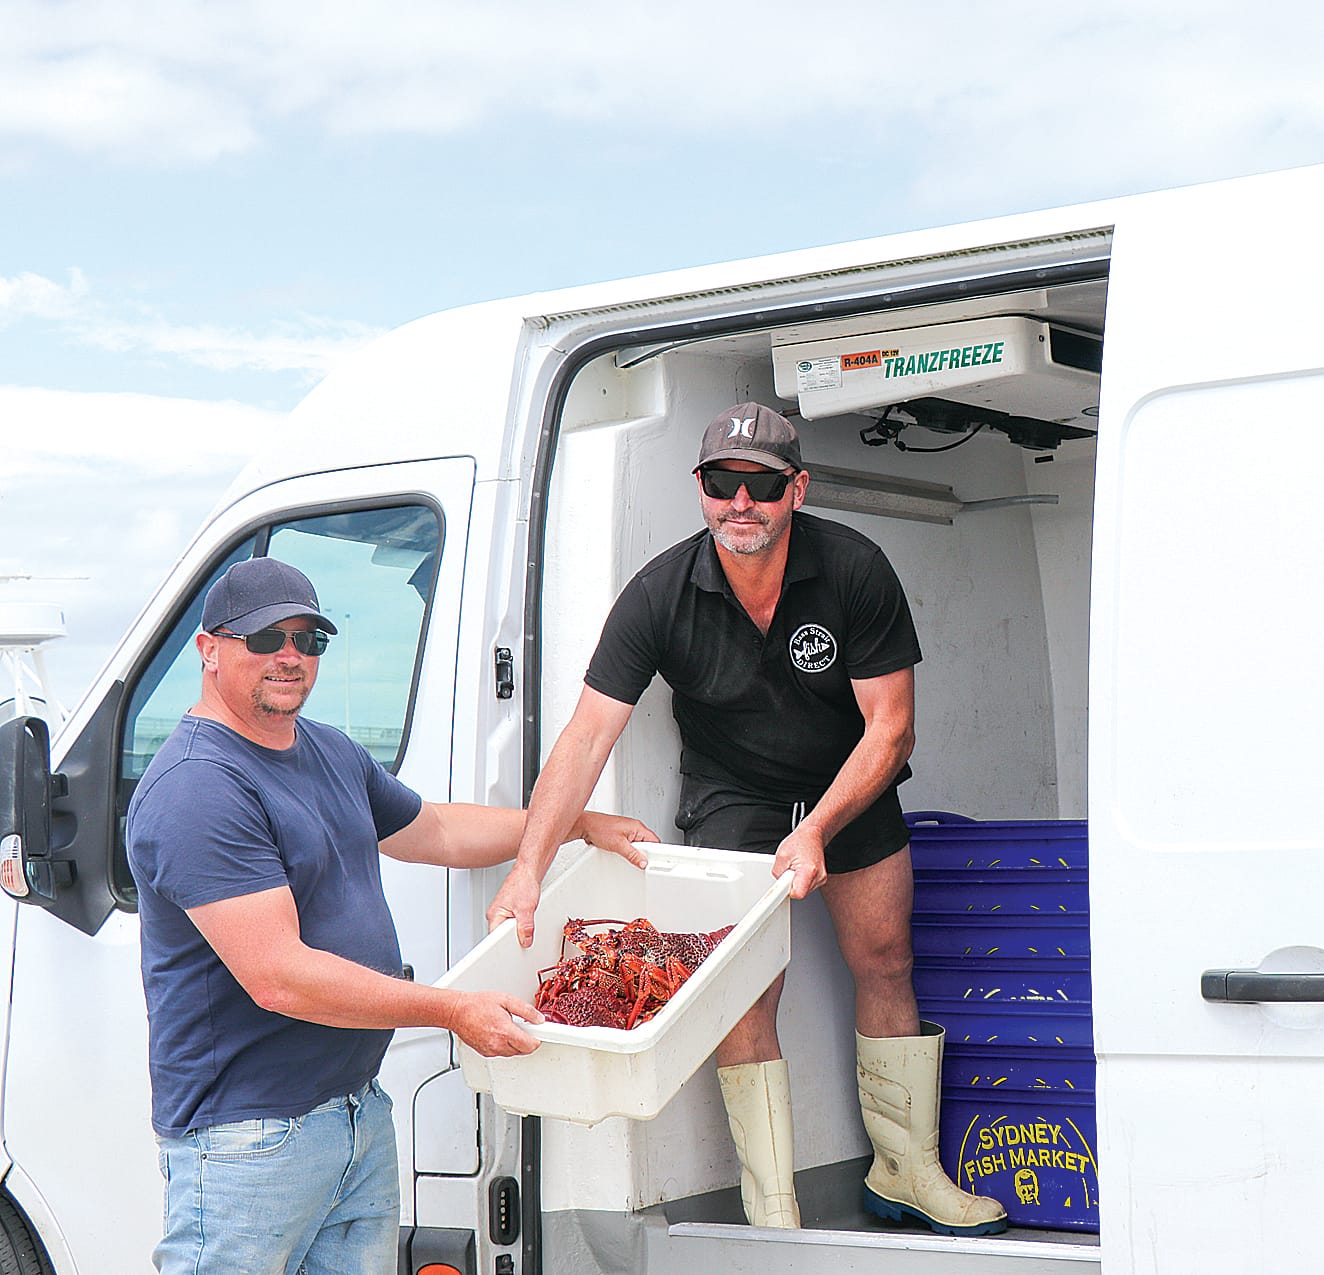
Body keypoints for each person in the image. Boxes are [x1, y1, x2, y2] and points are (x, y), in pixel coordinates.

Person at [487, 402, 1006, 1236]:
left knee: (885, 959)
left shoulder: (854, 568)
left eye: (760, 484)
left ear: (795, 488)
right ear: (700, 488)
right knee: (740, 994)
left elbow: (891, 727)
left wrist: (819, 828)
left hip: (851, 786)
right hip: (734, 798)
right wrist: (527, 866)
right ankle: (773, 1207)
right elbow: (585, 736)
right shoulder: (660, 592)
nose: (740, 501)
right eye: (721, 481)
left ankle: (906, 1170)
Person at [125, 556, 646, 1275]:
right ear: (208, 649)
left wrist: (573, 822)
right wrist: (453, 1009)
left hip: (356, 1117)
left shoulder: (327, 751)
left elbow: (435, 830)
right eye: (265, 637)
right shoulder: (197, 788)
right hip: (248, 1139)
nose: (290, 655)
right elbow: (279, 977)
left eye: (308, 640)